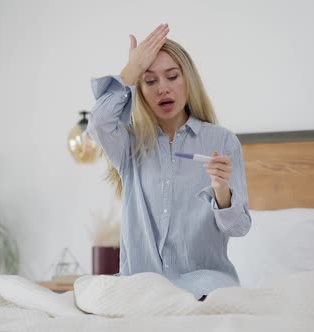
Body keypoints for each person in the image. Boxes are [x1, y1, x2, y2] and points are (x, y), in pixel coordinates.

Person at [87, 23, 252, 300]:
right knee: (90, 294)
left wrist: (222, 191)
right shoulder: (129, 144)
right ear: (140, 89)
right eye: (150, 81)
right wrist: (130, 71)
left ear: (188, 80)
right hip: (141, 288)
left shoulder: (222, 142)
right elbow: (99, 123)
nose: (162, 88)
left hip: (205, 288)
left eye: (172, 77)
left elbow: (239, 227)